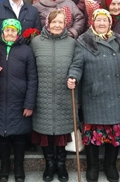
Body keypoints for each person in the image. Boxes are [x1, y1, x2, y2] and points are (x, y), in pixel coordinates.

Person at [67, 9, 120, 182]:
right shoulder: (83, 40)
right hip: (94, 94)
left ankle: (110, 165)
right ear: (92, 22)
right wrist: (73, 76)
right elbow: (77, 64)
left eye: (105, 20)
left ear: (110, 23)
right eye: (99, 20)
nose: (102, 23)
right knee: (93, 136)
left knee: (115, 134)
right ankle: (93, 166)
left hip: (116, 92)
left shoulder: (119, 39)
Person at [0, 19, 37, 182]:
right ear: (2, 32)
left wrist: (29, 103)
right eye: (6, 30)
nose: (9, 33)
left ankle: (19, 168)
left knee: (20, 137)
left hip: (19, 100)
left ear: (18, 33)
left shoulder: (26, 51)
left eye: (13, 31)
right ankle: (4, 167)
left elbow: (32, 79)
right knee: (2, 137)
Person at [30, 10, 76, 182]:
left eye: (60, 22)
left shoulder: (72, 43)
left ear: (66, 24)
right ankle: (50, 164)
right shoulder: (36, 42)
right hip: (42, 94)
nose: (57, 25)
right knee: (46, 132)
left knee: (62, 132)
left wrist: (73, 76)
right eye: (53, 22)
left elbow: (77, 64)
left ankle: (61, 164)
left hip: (65, 93)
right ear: (47, 23)